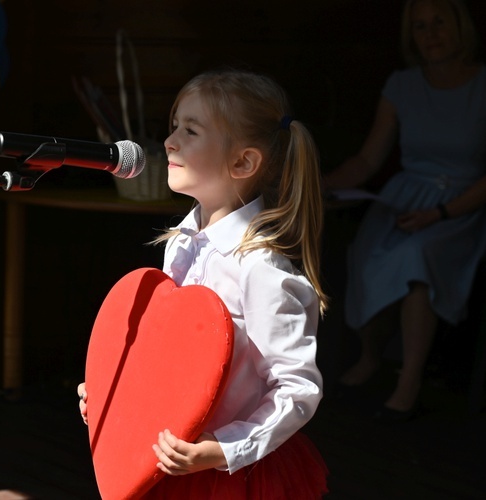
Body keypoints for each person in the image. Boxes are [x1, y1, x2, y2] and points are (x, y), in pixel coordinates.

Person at [78, 68, 328, 498]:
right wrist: (111, 391)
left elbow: (296, 388)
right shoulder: (181, 244)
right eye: (175, 127)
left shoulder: (262, 269)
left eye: (190, 131)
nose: (170, 141)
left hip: (227, 475)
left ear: (243, 162)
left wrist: (221, 449)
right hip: (166, 462)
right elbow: (163, 358)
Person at [323, 0, 486, 421]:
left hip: (462, 205)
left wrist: (443, 213)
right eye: (419, 27)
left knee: (416, 259)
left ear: (461, 25)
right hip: (403, 199)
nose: (430, 34)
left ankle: (409, 378)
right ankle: (371, 353)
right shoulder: (402, 86)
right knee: (366, 253)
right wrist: (317, 183)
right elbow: (367, 161)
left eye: (439, 23)